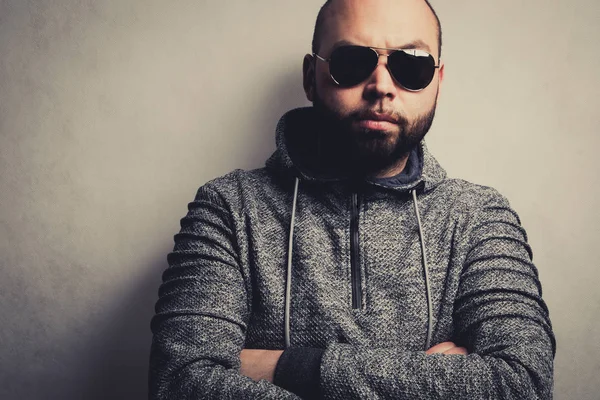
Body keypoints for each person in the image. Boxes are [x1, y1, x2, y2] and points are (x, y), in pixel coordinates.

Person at [148, 0, 556, 398]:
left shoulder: (479, 217)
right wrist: (433, 381)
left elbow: (523, 383)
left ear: (438, 82)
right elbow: (179, 383)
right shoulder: (229, 208)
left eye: (411, 65)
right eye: (352, 62)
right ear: (311, 76)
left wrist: (290, 367)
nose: (381, 85)